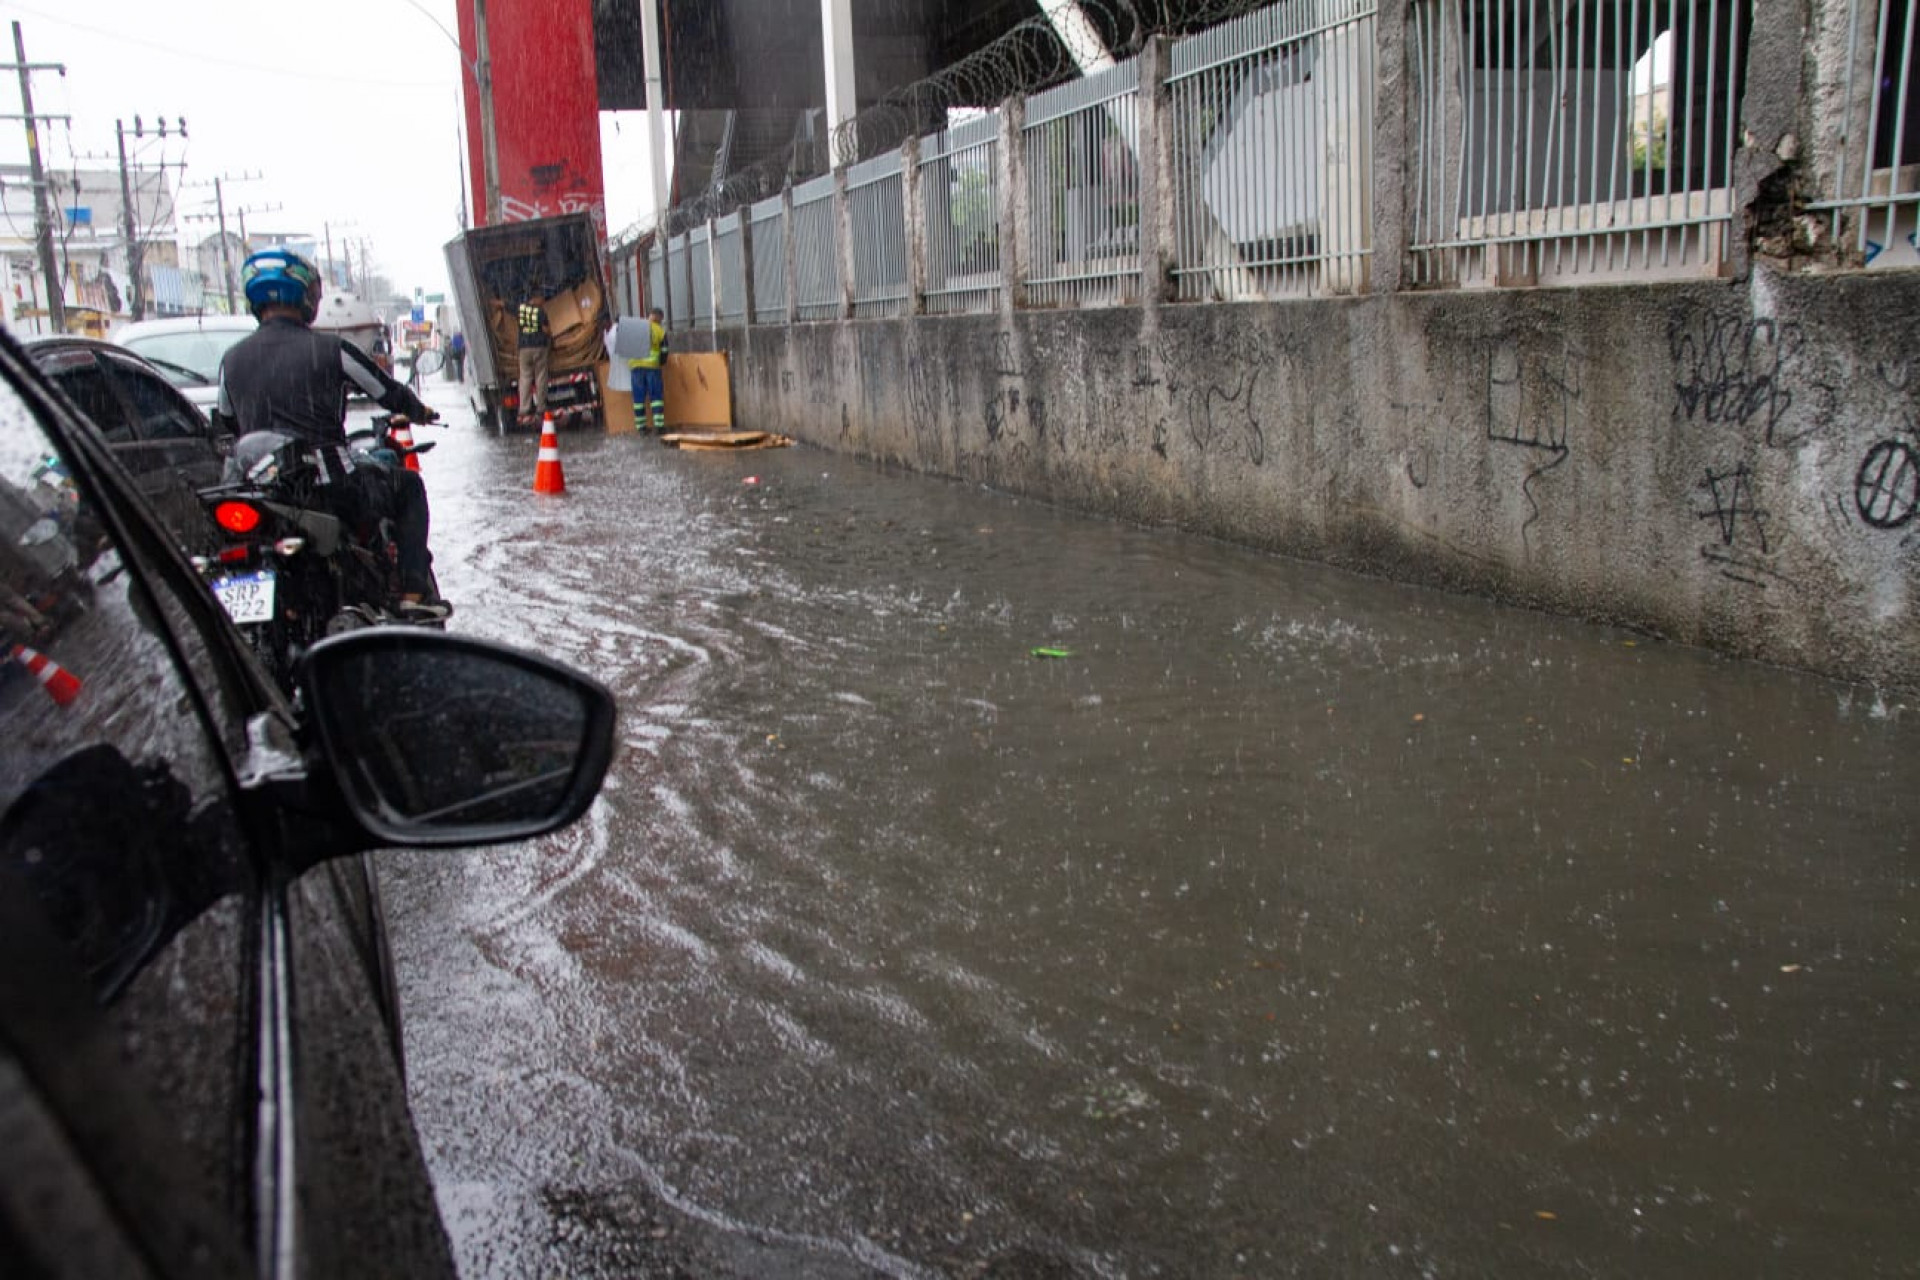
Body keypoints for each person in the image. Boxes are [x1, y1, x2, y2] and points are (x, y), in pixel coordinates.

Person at [211, 249, 446, 616]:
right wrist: (420, 411)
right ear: (306, 298)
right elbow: (385, 391)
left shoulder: (231, 360)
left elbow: (225, 423)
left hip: (266, 496)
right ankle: (414, 594)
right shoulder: (331, 349)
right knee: (410, 488)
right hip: (331, 489)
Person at [515, 285, 552, 427]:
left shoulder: (520, 309)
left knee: (525, 378)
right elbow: (547, 330)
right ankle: (541, 407)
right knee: (541, 376)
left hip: (523, 349)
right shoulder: (540, 312)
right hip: (539, 347)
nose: (543, 301)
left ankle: (524, 408)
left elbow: (505, 305)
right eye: (541, 298)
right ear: (536, 298)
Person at [632, 307, 668, 433]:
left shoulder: (636, 328)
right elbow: (664, 351)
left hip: (636, 367)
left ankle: (641, 428)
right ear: (658, 317)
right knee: (656, 397)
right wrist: (661, 362)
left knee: (638, 398)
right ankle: (659, 426)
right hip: (652, 368)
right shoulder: (659, 331)